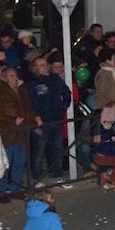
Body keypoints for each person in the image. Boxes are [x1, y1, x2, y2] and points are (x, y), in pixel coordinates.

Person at [0, 65, 37, 195]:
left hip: (21, 133)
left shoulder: (21, 91)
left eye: (15, 75)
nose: (15, 78)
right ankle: (1, 191)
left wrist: (33, 121)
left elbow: (28, 109)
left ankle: (15, 189)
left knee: (19, 164)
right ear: (4, 78)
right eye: (11, 76)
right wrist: (12, 120)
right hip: (7, 134)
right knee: (5, 165)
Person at [27, 55, 71, 185]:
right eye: (41, 65)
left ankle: (57, 175)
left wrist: (63, 107)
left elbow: (67, 93)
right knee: (38, 151)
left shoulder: (55, 79)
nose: (45, 67)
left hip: (56, 120)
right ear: (35, 68)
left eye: (45, 64)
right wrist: (35, 117)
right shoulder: (32, 83)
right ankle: (36, 178)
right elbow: (30, 103)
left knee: (57, 149)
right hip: (42, 121)